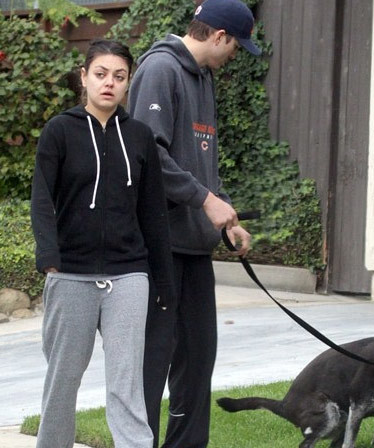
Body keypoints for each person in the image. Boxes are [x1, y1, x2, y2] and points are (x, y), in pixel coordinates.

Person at [127, 0, 261, 446]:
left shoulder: (203, 79)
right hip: (159, 247)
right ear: (219, 36)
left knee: (198, 360)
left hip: (194, 247)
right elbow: (147, 156)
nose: (234, 56)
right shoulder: (160, 70)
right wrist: (205, 200)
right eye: (236, 47)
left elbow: (202, 163)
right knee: (153, 363)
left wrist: (222, 213)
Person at [31, 39, 174, 448]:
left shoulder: (141, 137)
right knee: (63, 381)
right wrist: (50, 259)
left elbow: (152, 213)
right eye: (100, 74)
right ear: (84, 77)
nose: (109, 83)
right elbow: (42, 198)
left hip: (129, 274)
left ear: (128, 83)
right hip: (71, 275)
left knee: (126, 384)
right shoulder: (59, 131)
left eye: (119, 76)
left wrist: (162, 280)